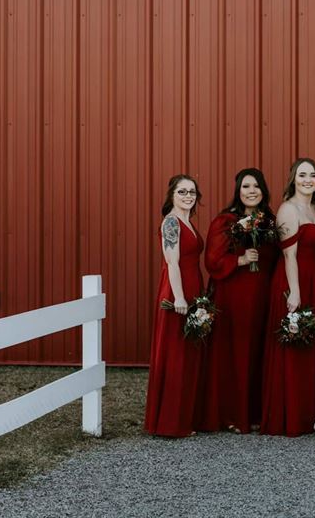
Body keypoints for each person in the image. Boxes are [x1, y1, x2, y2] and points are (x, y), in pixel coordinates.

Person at [199, 168, 280, 434]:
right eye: (246, 186)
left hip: (263, 295)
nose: (252, 191)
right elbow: (212, 260)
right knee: (234, 352)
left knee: (258, 350)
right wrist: (241, 259)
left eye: (256, 186)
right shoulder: (225, 221)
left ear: (263, 190)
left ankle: (255, 411)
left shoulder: (269, 221)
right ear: (238, 191)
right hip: (233, 295)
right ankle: (231, 414)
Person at [260, 158, 315, 436]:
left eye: (312, 175)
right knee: (293, 343)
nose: (307, 180)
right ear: (293, 179)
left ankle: (310, 412)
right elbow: (289, 255)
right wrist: (295, 291)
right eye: (302, 175)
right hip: (293, 280)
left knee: (312, 343)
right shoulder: (288, 209)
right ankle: (289, 415)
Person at [145, 174, 205, 437]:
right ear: (172, 195)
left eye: (192, 192)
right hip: (176, 290)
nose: (188, 196)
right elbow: (172, 263)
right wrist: (179, 297)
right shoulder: (171, 221)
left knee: (188, 353)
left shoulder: (187, 221)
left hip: (193, 287)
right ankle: (169, 423)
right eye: (182, 191)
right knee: (176, 354)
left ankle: (183, 419)